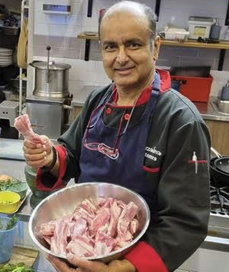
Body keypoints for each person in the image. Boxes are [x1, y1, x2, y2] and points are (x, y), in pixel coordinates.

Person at [23, 1, 211, 271]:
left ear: (155, 47)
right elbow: (71, 154)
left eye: (133, 44)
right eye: (111, 47)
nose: (120, 57)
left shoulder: (181, 121)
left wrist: (128, 267)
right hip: (84, 247)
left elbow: (186, 222)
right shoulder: (98, 100)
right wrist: (49, 156)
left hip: (138, 259)